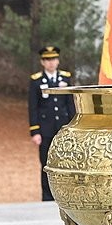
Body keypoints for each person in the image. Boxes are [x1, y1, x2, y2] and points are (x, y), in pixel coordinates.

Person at [28, 45, 76, 201]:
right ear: (42, 62)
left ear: (58, 60)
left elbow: (70, 104)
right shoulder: (36, 81)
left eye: (54, 59)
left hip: (62, 128)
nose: (51, 63)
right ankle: (47, 197)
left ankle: (65, 195)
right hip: (45, 129)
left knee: (65, 162)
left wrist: (73, 126)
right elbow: (33, 107)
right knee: (46, 164)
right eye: (47, 60)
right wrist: (35, 131)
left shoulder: (65, 78)